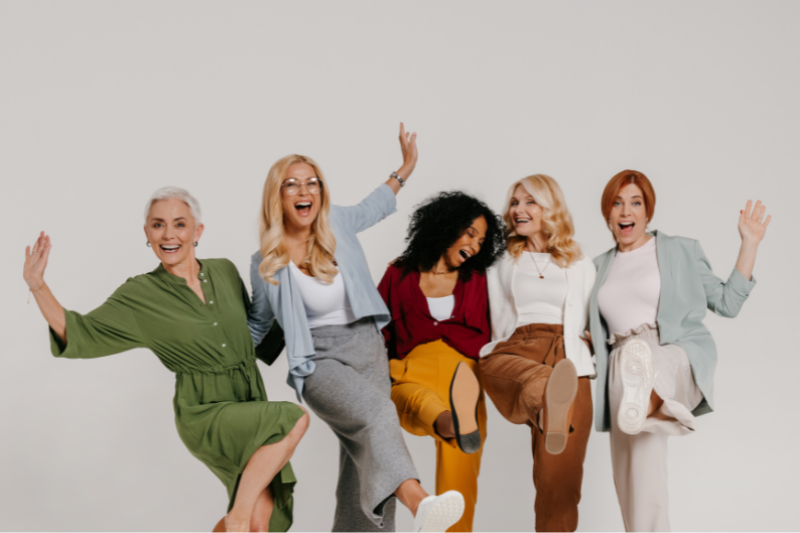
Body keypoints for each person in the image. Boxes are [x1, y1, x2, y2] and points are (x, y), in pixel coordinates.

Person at [22, 187, 310, 532]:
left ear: (197, 231)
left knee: (261, 523)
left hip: (247, 396)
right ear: (147, 233)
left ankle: (240, 517)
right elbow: (80, 332)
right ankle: (237, 516)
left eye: (179, 224)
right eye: (158, 225)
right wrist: (37, 284)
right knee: (291, 419)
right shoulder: (140, 294)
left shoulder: (224, 271)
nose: (169, 234)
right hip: (203, 410)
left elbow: (254, 332)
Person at [248, 124, 465, 533]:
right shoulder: (265, 261)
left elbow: (375, 204)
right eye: (292, 185)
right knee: (379, 415)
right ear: (277, 196)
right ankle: (422, 504)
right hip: (317, 361)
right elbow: (256, 328)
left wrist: (406, 166)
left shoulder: (338, 225)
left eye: (312, 183)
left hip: (367, 348)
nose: (304, 191)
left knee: (362, 462)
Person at [588, 169, 771, 531]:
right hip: (620, 381)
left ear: (648, 211)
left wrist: (749, 244)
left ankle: (659, 400)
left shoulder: (679, 249)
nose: (627, 211)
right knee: (635, 483)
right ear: (607, 214)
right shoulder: (596, 269)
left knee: (641, 357)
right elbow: (589, 331)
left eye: (636, 202)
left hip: (671, 355)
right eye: (617, 203)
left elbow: (727, 303)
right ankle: (656, 408)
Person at [378, 191, 505, 532]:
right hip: (409, 369)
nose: (476, 246)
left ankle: (453, 422)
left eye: (481, 240)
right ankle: (449, 421)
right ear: (447, 226)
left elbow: (505, 319)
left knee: (459, 484)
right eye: (470, 233)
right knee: (410, 399)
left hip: (463, 375)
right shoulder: (398, 273)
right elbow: (377, 331)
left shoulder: (479, 279)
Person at [479, 174, 596, 532]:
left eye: (529, 201)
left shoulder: (581, 263)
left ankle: (552, 402)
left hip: (569, 359)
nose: (518, 209)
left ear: (549, 208)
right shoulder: (499, 260)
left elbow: (595, 313)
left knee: (558, 484)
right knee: (494, 364)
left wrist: (593, 337)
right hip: (518, 349)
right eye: (514, 202)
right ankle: (548, 392)